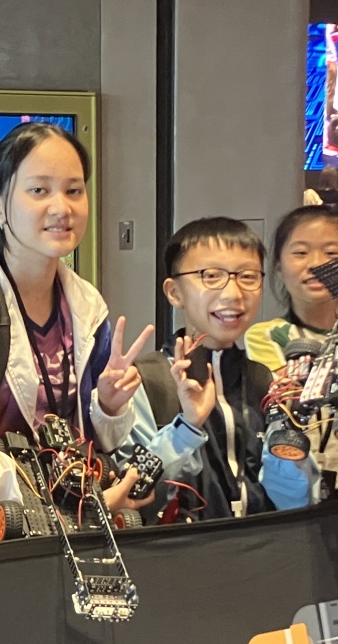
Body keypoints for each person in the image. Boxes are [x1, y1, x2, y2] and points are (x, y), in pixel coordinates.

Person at [0, 121, 152, 538]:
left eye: (74, 190)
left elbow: (99, 440)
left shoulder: (88, 307)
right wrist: (65, 507)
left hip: (81, 530)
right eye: (39, 190)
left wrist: (108, 406)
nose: (61, 207)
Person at [116, 217, 316, 519]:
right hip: (185, 547)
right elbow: (133, 496)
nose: (233, 294)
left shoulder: (265, 381)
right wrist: (187, 427)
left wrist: (287, 434)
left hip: (263, 542)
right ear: (174, 292)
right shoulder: (146, 380)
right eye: (211, 276)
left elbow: (295, 503)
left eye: (248, 276)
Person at [246, 205, 338, 498]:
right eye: (300, 252)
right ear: (278, 266)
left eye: (332, 253)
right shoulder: (268, 336)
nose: (316, 264)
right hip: (288, 492)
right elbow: (298, 398)